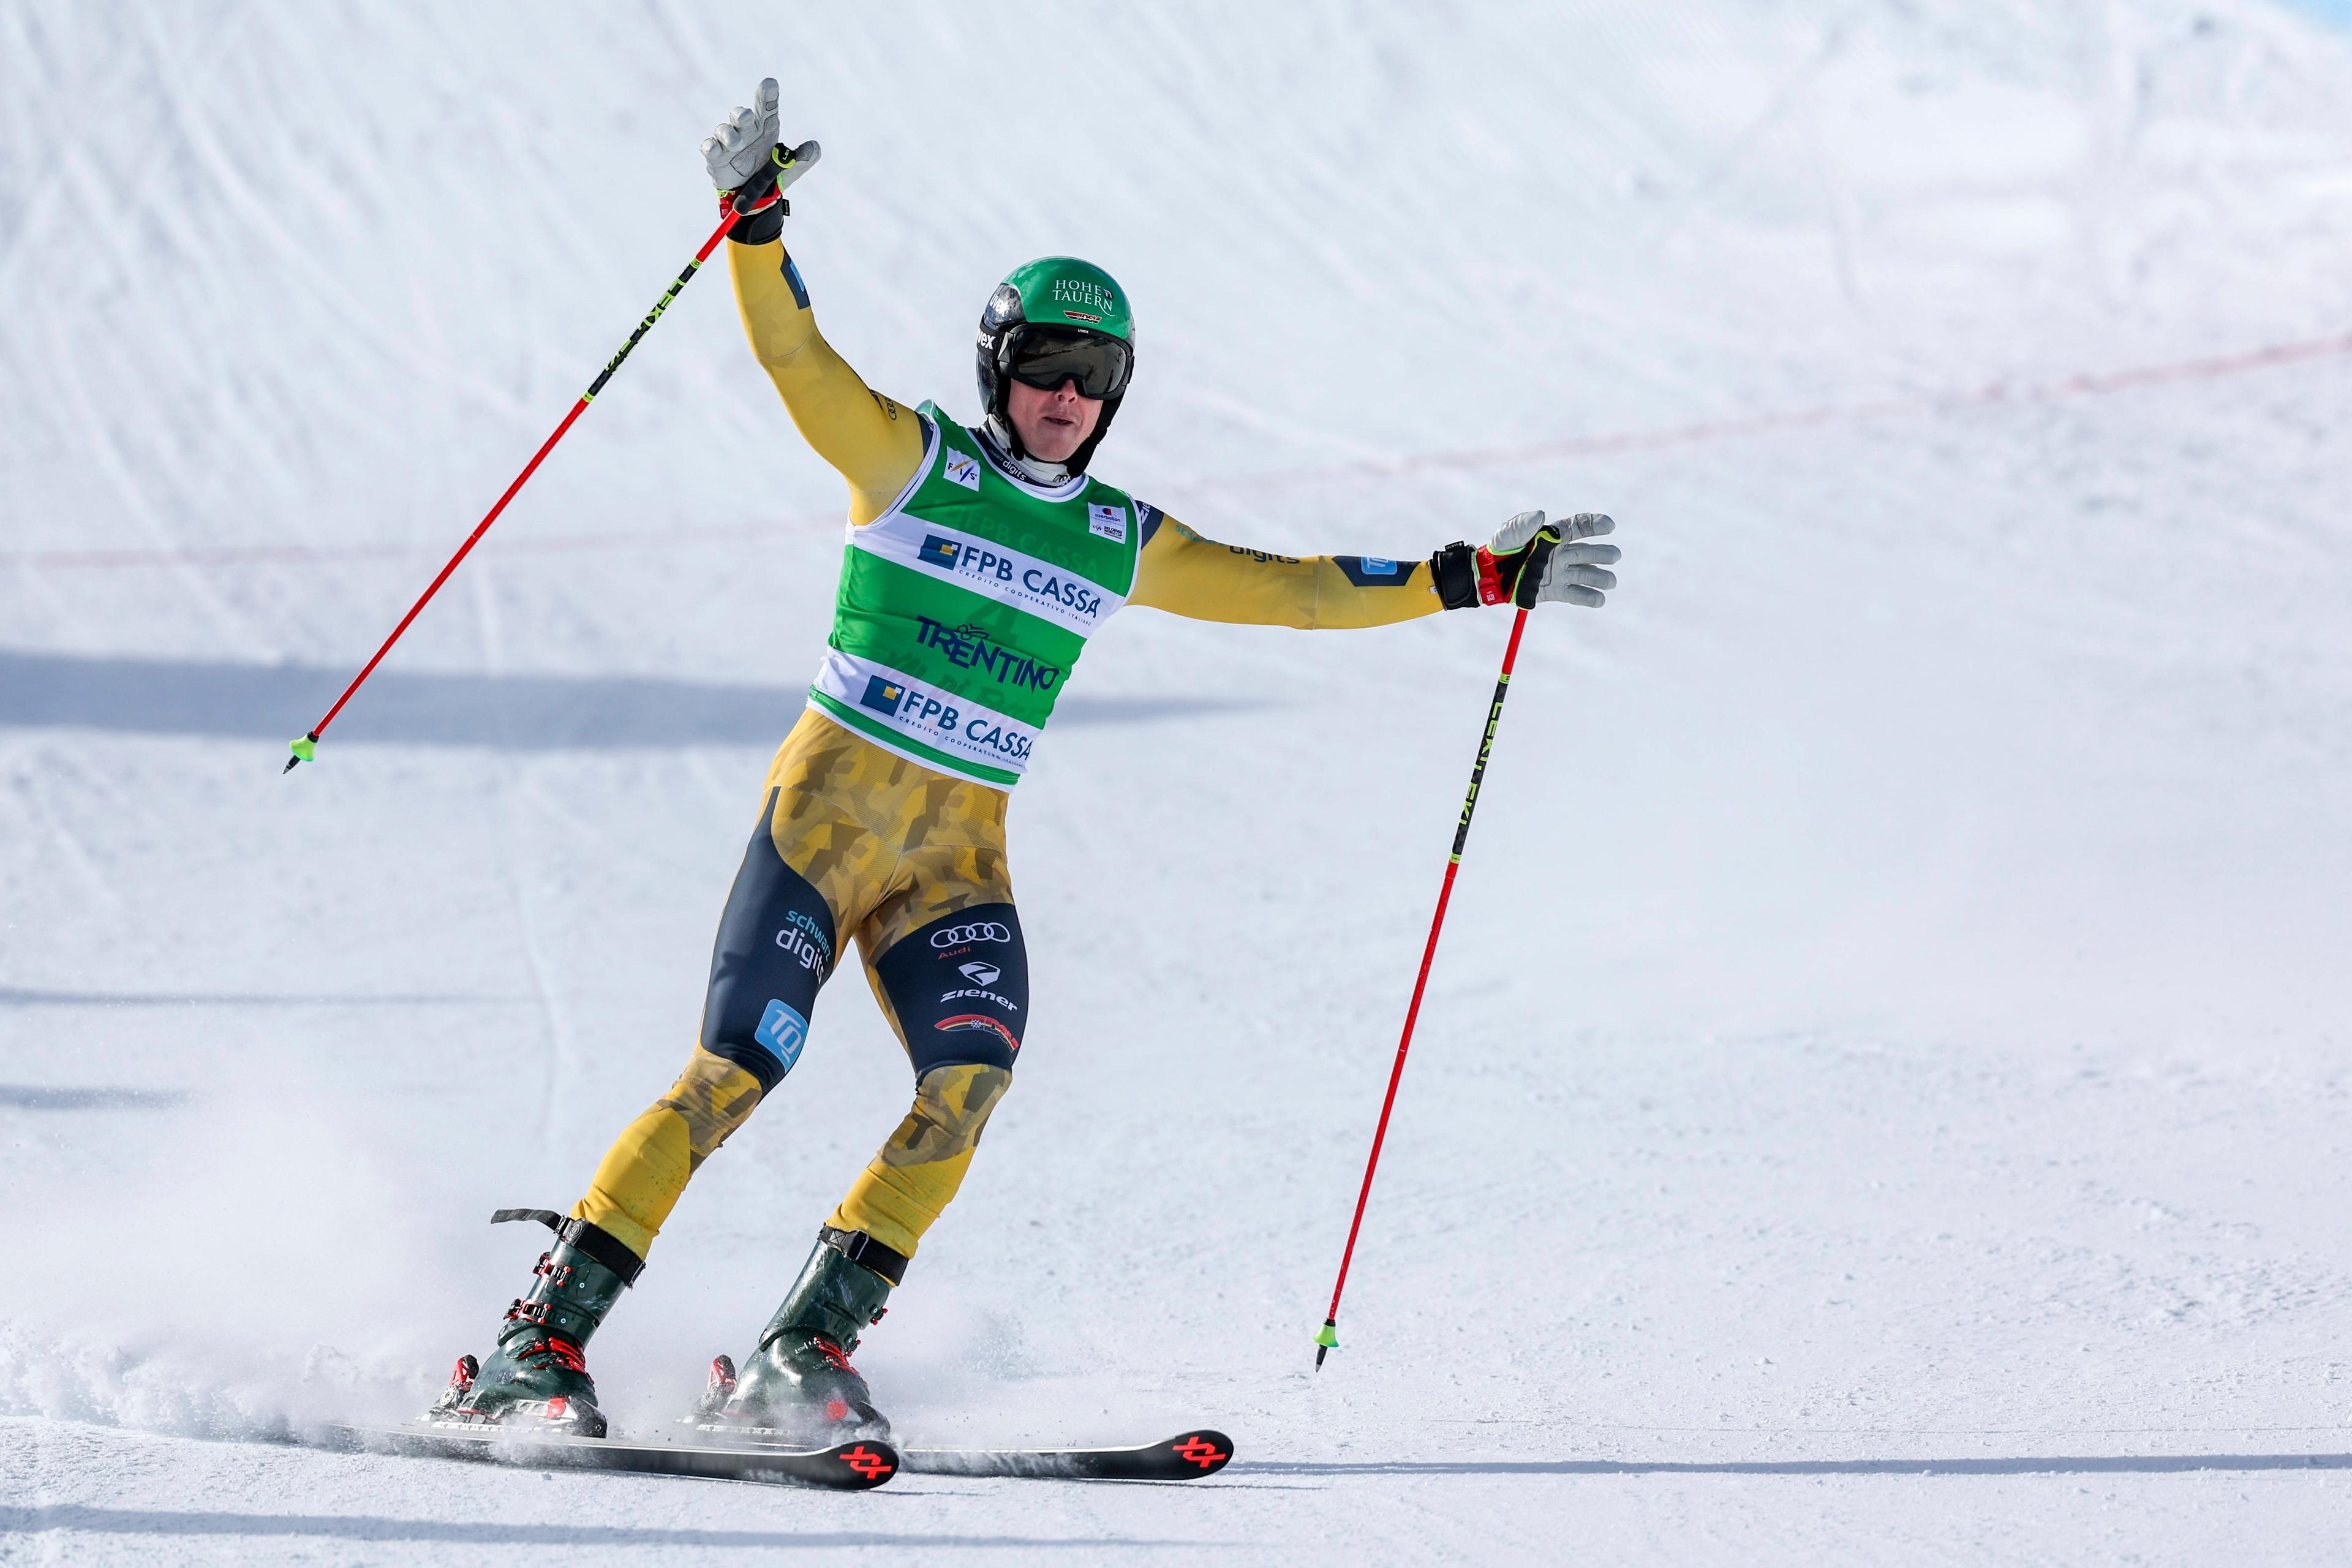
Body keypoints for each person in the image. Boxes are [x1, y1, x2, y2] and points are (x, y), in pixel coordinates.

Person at [432, 78, 1620, 1441]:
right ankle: (540, 1340)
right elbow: (797, 364)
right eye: (1046, 367)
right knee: (734, 1073)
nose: (1066, 397)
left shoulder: (1119, 536)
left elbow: (1298, 590)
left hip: (952, 860)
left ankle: (799, 1349)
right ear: (999, 367)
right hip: (826, 824)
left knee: (969, 1080)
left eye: (1094, 378)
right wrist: (752, 227)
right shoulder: (912, 464)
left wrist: (1471, 575)